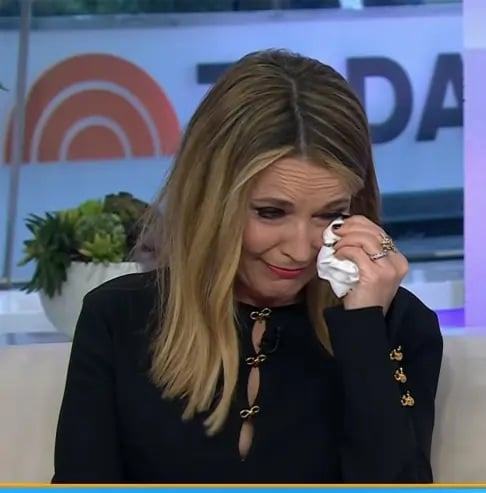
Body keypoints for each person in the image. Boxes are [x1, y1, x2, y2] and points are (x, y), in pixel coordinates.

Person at [52, 49, 443, 483]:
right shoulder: (117, 317)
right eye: (270, 213)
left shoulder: (397, 324)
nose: (301, 250)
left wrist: (365, 331)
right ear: (211, 200)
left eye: (330, 215)